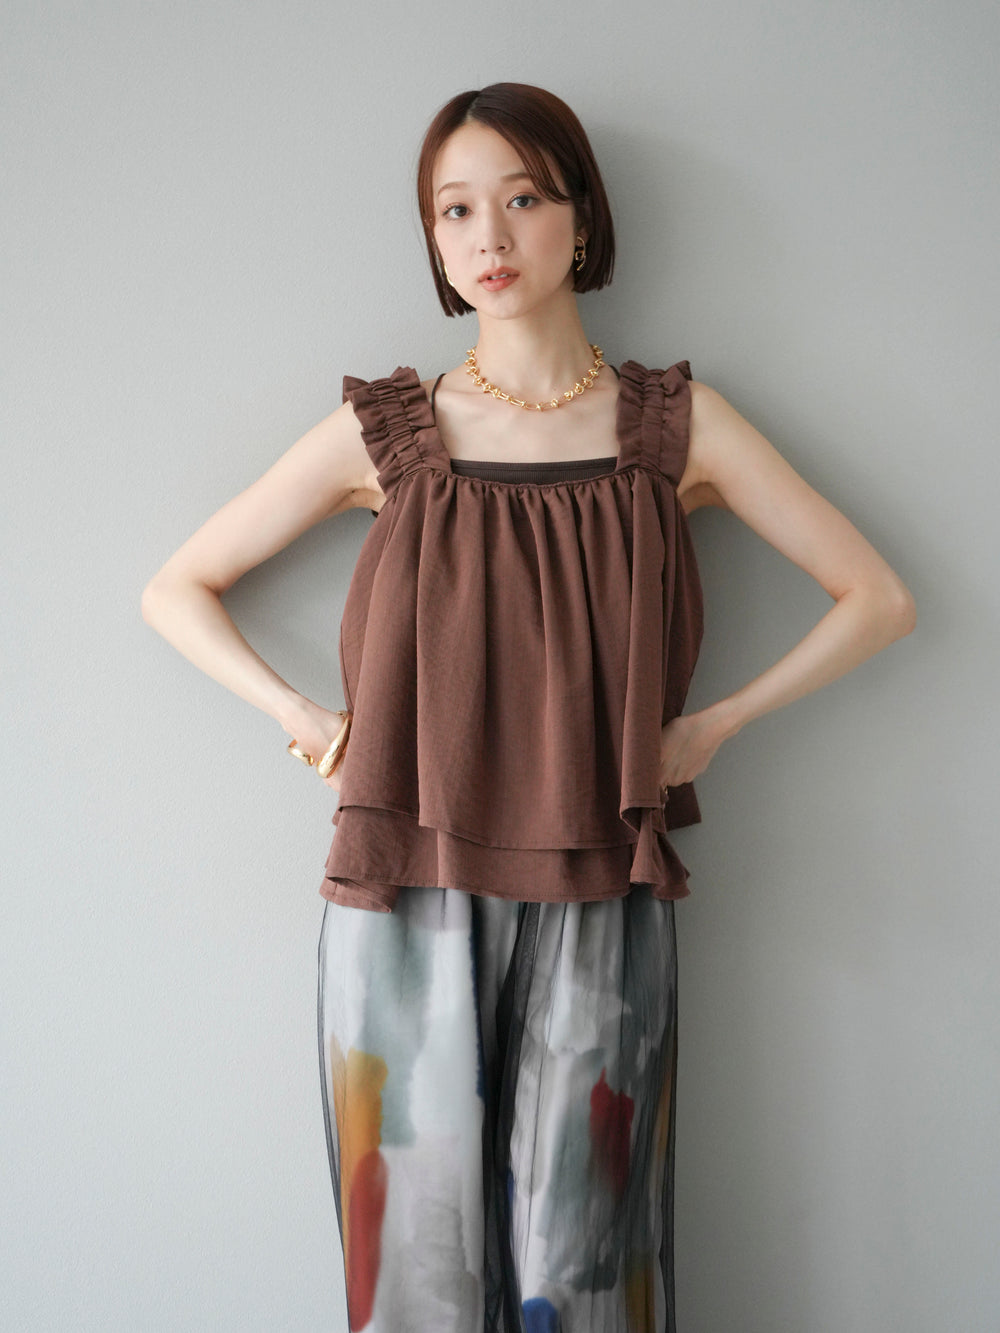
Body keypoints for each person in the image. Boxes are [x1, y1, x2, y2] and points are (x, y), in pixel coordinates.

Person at [141, 82, 916, 1333]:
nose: (488, 236)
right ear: (433, 241)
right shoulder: (391, 434)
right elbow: (176, 589)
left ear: (580, 219)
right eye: (454, 210)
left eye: (521, 199)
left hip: (602, 885)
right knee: (415, 1282)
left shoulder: (671, 428)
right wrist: (309, 720)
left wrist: (708, 729)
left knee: (588, 1275)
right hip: (402, 890)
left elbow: (876, 598)